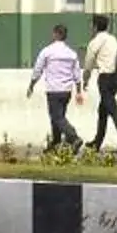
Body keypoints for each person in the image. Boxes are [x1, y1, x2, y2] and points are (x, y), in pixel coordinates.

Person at [29, 21, 83, 153]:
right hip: (66, 91)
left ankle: (74, 137)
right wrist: (79, 91)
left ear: (55, 34)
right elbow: (77, 74)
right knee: (59, 117)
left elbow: (38, 69)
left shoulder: (47, 51)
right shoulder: (71, 53)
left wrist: (31, 85)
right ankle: (56, 142)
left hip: (53, 89)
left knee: (57, 117)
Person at [84, 14, 117, 155]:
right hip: (115, 79)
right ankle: (97, 142)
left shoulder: (94, 42)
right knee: (103, 111)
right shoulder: (113, 39)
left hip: (105, 79)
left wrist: (85, 80)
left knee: (113, 111)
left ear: (95, 26)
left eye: (91, 25)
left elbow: (88, 65)